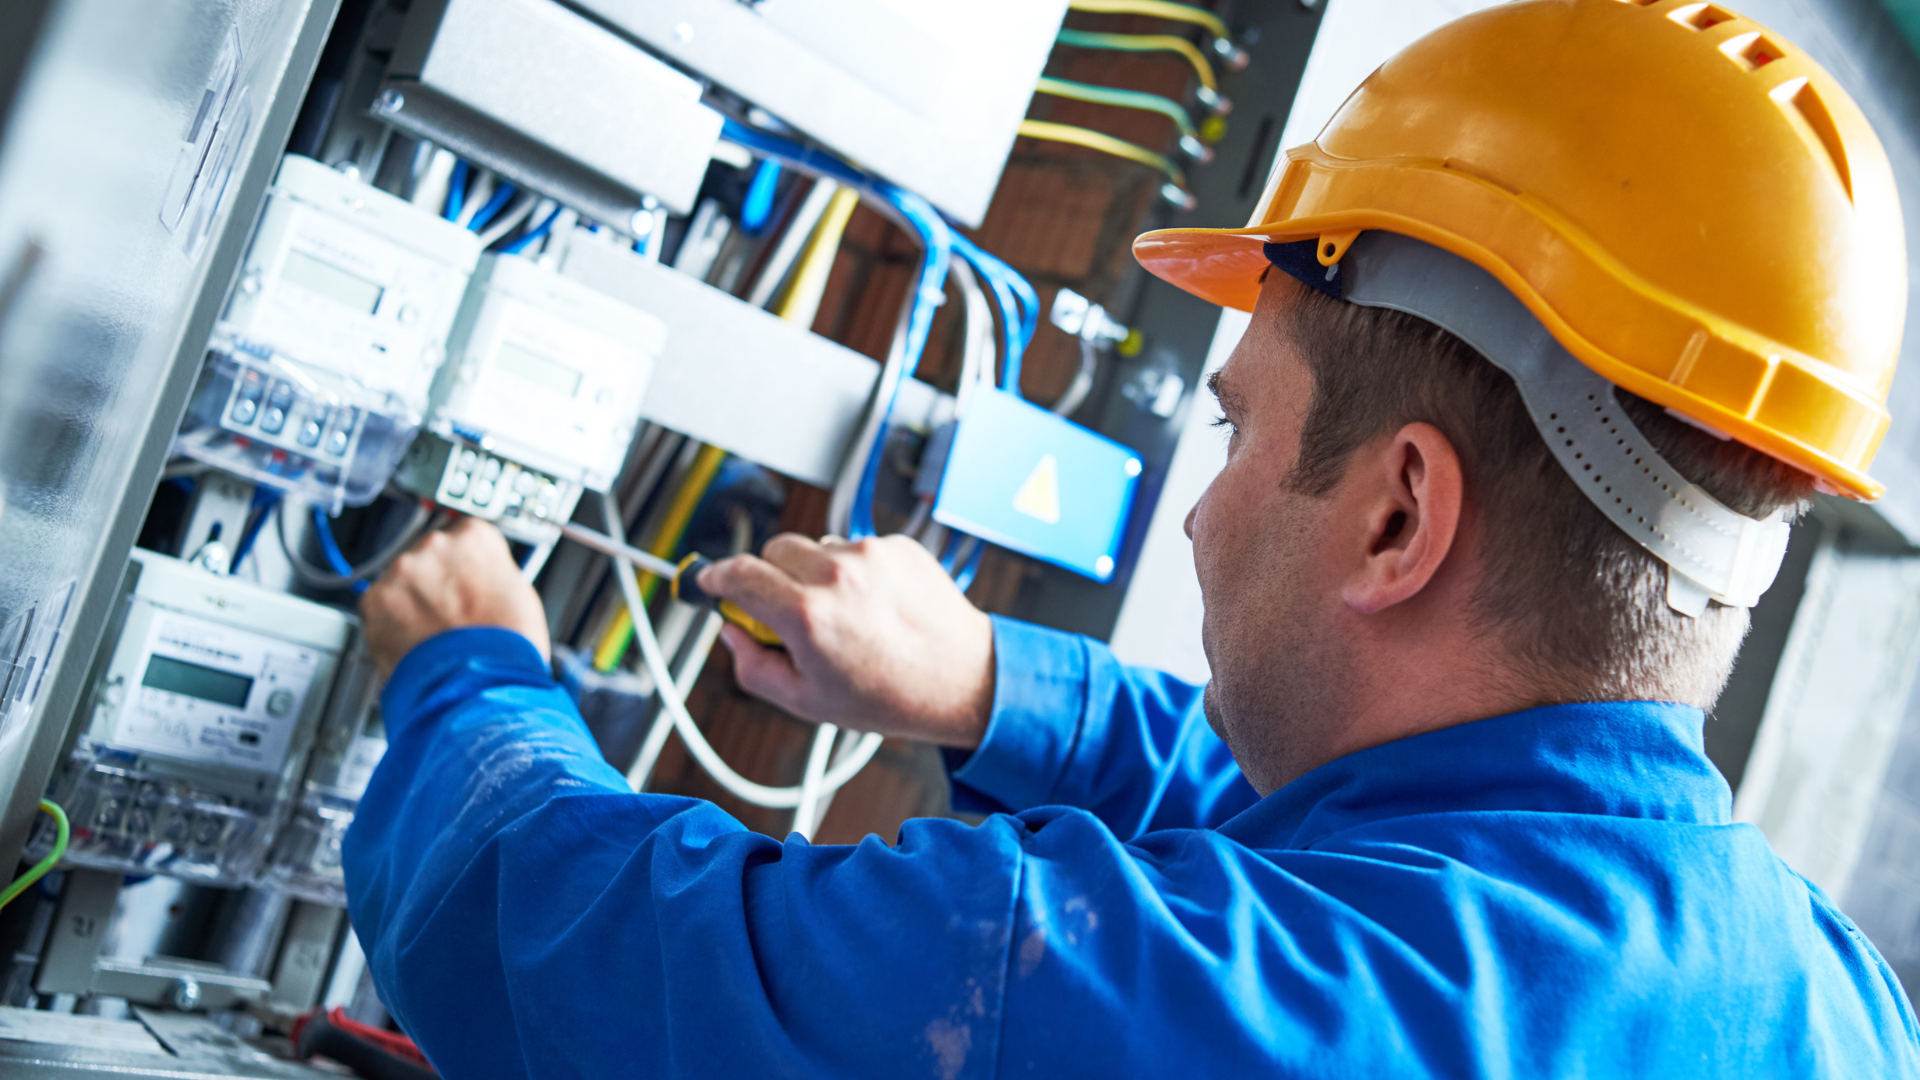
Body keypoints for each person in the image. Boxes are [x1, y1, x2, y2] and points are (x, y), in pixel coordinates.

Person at [344, 1, 1920, 1075]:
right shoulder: (1838, 1010)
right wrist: (986, 684)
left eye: (1236, 429)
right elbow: (1388, 852)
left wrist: (470, 670)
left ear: (1397, 515)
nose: (1199, 505)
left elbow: (558, 944)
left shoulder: (1116, 993)